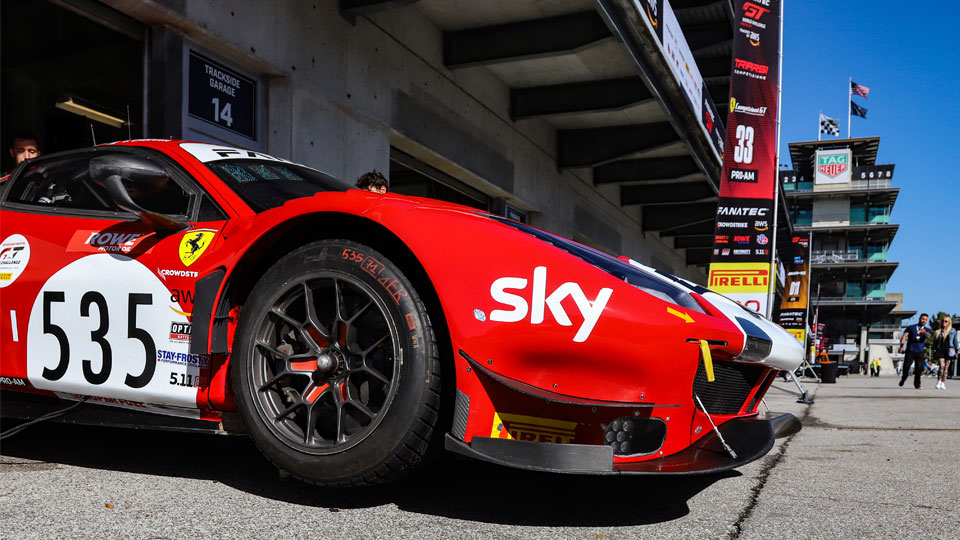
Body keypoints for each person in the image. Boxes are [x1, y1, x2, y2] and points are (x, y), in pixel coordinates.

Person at [899, 313, 929, 389]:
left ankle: (917, 384)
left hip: (920, 351)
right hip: (910, 350)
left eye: (925, 320)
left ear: (927, 321)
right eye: (922, 319)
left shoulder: (927, 329)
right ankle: (904, 378)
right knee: (906, 367)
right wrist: (901, 346)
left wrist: (924, 332)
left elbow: (929, 336)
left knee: (919, 368)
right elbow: (905, 336)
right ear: (919, 319)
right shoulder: (911, 327)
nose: (923, 321)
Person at [931, 316, 958, 390]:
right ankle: (939, 381)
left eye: (946, 321)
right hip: (940, 350)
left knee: (946, 367)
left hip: (949, 350)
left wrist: (957, 349)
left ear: (949, 322)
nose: (944, 323)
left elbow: (955, 341)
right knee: (941, 366)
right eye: (943, 321)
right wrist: (934, 350)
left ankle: (943, 383)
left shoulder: (953, 331)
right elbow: (935, 343)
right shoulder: (938, 331)